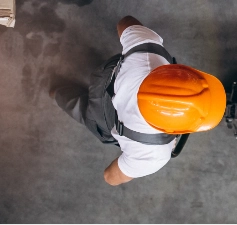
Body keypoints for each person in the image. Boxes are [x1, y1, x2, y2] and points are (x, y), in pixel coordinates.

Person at [51, 16, 226, 186]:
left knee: (96, 78)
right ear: (174, 129)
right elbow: (110, 177)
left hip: (104, 78)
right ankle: (54, 91)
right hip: (102, 117)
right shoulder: (153, 154)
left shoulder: (148, 51)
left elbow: (125, 22)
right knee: (80, 109)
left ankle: (57, 87)